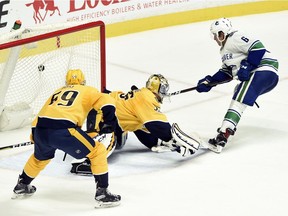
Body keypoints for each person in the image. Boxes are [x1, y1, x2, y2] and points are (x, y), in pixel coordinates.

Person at [12, 69, 121, 208]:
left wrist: (35, 136)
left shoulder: (57, 91)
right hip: (64, 129)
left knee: (39, 158)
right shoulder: (86, 90)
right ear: (83, 81)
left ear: (66, 82)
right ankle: (103, 192)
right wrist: (109, 121)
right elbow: (107, 100)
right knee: (98, 151)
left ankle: (22, 185)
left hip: (41, 129)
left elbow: (40, 115)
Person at [71, 74, 201, 175]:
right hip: (102, 117)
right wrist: (174, 140)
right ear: (158, 89)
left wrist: (163, 143)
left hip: (106, 113)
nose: (165, 91)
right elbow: (158, 126)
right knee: (107, 144)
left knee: (122, 137)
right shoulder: (147, 98)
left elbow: (141, 128)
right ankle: (85, 161)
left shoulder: (141, 96)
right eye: (164, 88)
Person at [196, 17, 279, 153]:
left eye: (217, 35)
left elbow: (258, 47)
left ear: (223, 32)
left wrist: (247, 66)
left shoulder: (235, 37)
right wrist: (210, 82)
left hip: (264, 70)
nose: (216, 39)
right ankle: (227, 129)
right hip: (263, 76)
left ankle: (223, 135)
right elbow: (227, 72)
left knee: (239, 99)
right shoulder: (224, 51)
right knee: (238, 92)